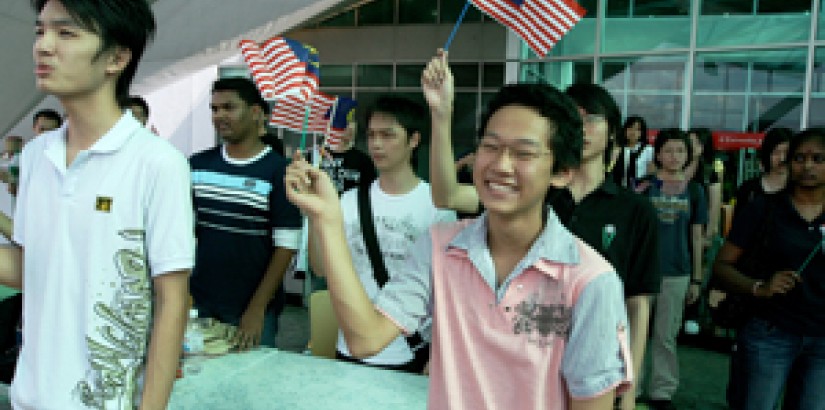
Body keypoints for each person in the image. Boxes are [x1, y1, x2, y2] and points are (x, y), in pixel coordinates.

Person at [287, 69, 631, 409]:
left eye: (523, 153)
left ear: (561, 172)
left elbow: (591, 404)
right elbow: (365, 338)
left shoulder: (590, 281)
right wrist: (327, 220)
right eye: (490, 147)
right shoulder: (440, 247)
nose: (501, 165)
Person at [425, 51, 656, 410]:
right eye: (573, 117)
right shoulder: (531, 196)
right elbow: (447, 195)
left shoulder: (634, 209)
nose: (581, 126)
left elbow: (638, 302)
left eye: (592, 118)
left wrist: (629, 388)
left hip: (592, 362)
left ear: (613, 130)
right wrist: (441, 115)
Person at [1, 1, 195, 408]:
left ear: (117, 57)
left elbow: (172, 300)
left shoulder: (158, 164)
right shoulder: (36, 157)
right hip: (30, 396)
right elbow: (27, 267)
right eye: (40, 31)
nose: (43, 46)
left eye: (65, 33)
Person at [331, 95, 455, 372]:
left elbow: (447, 291)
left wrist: (437, 353)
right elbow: (320, 267)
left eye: (388, 135)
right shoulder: (348, 201)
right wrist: (317, 214)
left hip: (409, 350)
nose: (376, 144)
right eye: (372, 135)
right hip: (351, 345)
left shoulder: (437, 207)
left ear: (414, 140)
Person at [713, 128, 825, 410]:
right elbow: (723, 265)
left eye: (818, 158)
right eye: (799, 158)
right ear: (788, 164)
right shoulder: (763, 209)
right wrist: (759, 287)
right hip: (770, 332)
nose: (808, 166)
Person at [189, 77, 301, 349]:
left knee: (249, 388)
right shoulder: (196, 165)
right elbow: (182, 235)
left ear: (255, 113)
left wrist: (257, 309)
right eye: (214, 109)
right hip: (199, 304)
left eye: (229, 107)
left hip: (250, 310)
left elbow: (286, 246)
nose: (219, 116)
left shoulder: (281, 171)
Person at [637, 128, 707, 410]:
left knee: (666, 336)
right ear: (658, 154)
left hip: (677, 272)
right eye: (668, 150)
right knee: (636, 331)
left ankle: (662, 390)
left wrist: (697, 279)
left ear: (687, 155)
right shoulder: (644, 186)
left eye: (680, 150)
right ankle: (632, 384)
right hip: (643, 270)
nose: (674, 156)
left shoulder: (695, 190)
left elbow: (697, 236)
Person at [733, 127, 792, 217]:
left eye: (786, 153)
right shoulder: (749, 190)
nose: (782, 158)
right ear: (768, 154)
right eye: (776, 153)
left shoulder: (800, 190)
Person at [318, 113, 377, 196]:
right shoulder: (315, 156)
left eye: (353, 121)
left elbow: (371, 192)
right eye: (346, 122)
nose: (351, 127)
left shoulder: (364, 161)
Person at [686, 127, 723, 246]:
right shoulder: (678, 168)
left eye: (696, 143)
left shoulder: (709, 173)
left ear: (704, 146)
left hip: (701, 229)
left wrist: (707, 235)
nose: (691, 146)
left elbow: (714, 205)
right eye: (689, 142)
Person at [611, 115, 653, 189]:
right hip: (618, 189)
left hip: (640, 190)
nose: (633, 132)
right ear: (625, 130)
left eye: (637, 129)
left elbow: (651, 175)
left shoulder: (648, 150)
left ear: (642, 133)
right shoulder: (617, 148)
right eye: (630, 128)